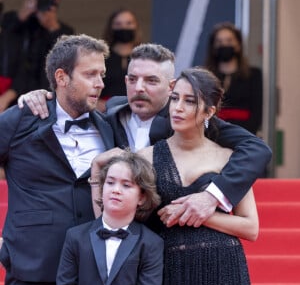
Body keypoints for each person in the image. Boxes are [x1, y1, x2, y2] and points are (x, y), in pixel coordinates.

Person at [18, 43, 272, 227]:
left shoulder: (188, 119)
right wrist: (40, 95)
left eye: (151, 80)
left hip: (168, 238)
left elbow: (257, 149)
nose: (139, 88)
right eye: (133, 79)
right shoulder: (108, 114)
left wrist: (211, 196)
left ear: (171, 86)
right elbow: (67, 98)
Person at [0, 34, 115, 285]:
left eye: (102, 75)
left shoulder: (110, 127)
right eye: (90, 74)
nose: (100, 84)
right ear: (62, 78)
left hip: (93, 274)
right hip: (32, 271)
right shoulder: (21, 118)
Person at [138, 67, 259, 285]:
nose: (178, 107)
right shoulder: (145, 158)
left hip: (224, 268)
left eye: (190, 101)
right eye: (175, 99)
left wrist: (200, 213)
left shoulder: (228, 157)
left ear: (209, 112)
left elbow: (251, 227)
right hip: (169, 269)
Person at [56, 151, 163, 285]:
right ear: (102, 187)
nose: (116, 190)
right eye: (110, 182)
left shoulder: (151, 243)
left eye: (126, 185)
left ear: (142, 198)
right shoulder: (75, 236)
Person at [0, 0, 74, 113]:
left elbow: (66, 56)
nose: (45, 2)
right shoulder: (14, 20)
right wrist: (24, 12)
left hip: (43, 94)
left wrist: (52, 27)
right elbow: (6, 36)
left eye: (52, 0)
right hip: (11, 91)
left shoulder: (64, 30)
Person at [205, 21, 263, 134]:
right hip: (212, 135)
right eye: (219, 41)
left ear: (238, 45)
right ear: (213, 46)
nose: (224, 45)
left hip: (244, 135)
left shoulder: (253, 74)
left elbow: (257, 114)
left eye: (229, 40)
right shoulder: (205, 75)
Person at [97, 8, 142, 112]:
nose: (124, 27)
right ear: (111, 27)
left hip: (137, 112)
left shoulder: (144, 58)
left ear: (136, 26)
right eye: (118, 24)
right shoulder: (100, 58)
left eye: (129, 23)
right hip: (105, 113)